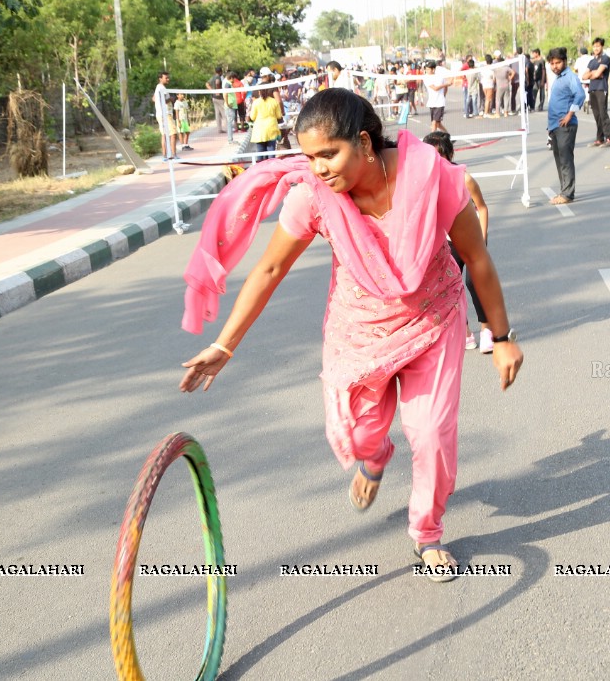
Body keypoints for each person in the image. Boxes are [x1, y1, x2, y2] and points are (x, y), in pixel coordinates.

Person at [179, 88, 524, 581]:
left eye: (327, 154)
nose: (317, 167)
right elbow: (271, 267)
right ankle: (376, 457)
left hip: (433, 317)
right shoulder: (312, 197)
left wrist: (502, 335)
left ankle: (427, 534)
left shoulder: (430, 178)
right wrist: (224, 344)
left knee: (430, 432)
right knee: (359, 437)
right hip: (358, 329)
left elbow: (477, 257)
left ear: (363, 143)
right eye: (308, 157)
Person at [422, 131, 492, 352]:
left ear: (450, 154)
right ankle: (466, 332)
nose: (435, 161)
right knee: (452, 288)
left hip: (472, 241)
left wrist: (482, 238)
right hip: (447, 244)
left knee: (475, 283)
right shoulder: (425, 183)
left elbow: (482, 207)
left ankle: (487, 330)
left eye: (439, 155)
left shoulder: (465, 179)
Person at [546, 47, 585, 205]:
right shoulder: (558, 78)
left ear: (564, 62)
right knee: (559, 159)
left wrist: (570, 114)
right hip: (555, 126)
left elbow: (580, 94)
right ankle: (564, 191)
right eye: (552, 63)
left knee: (565, 159)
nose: (555, 66)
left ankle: (567, 194)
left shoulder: (570, 77)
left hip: (566, 126)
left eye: (558, 62)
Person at [582, 37, 610, 147]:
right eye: (594, 46)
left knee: (603, 113)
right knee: (596, 115)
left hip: (601, 88)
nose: (596, 48)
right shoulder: (592, 61)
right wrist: (594, 73)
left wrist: (593, 74)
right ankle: (599, 138)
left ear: (602, 46)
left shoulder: (605, 59)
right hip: (592, 89)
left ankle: (608, 138)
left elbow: (596, 74)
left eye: (598, 46)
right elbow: (584, 76)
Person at [248, 81, 283, 161]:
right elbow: (279, 116)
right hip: (272, 129)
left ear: (259, 91)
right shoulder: (274, 101)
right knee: (271, 152)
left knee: (260, 153)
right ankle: (271, 169)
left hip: (259, 131)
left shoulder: (256, 102)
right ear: (268, 91)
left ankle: (260, 170)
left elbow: (252, 117)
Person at [152, 71, 178, 161]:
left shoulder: (158, 88)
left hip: (160, 114)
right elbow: (163, 99)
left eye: (168, 77)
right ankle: (173, 155)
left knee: (164, 135)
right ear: (160, 78)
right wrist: (171, 98)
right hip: (166, 114)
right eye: (166, 78)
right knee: (173, 134)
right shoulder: (161, 88)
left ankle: (165, 156)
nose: (168, 79)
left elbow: (154, 98)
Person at [424, 60, 450, 133]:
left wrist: (443, 96)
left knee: (434, 123)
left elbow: (447, 86)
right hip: (432, 103)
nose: (427, 71)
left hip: (439, 103)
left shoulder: (440, 76)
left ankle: (431, 140)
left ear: (433, 69)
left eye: (428, 69)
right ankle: (447, 135)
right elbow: (435, 88)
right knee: (437, 124)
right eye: (426, 69)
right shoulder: (426, 77)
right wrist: (446, 84)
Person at [206, 66, 226, 134]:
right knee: (224, 112)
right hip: (219, 98)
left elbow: (207, 84)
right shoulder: (218, 77)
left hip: (214, 97)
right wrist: (217, 91)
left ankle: (219, 129)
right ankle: (228, 127)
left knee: (217, 113)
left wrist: (212, 91)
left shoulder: (212, 77)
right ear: (220, 72)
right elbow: (217, 83)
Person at [493, 52, 512, 116]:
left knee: (498, 99)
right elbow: (513, 72)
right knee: (506, 98)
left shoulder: (496, 69)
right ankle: (506, 112)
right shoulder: (506, 68)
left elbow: (494, 78)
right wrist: (510, 78)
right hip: (506, 84)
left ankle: (497, 113)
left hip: (499, 86)